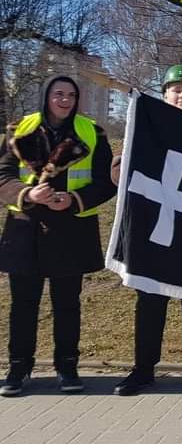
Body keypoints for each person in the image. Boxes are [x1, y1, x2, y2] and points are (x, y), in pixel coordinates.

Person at [0, 76, 116, 396]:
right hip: (26, 229)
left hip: (71, 230)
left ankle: (67, 367)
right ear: (46, 97)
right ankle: (18, 369)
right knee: (23, 305)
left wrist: (75, 200)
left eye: (71, 95)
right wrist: (26, 194)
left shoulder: (91, 132)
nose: (64, 100)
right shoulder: (19, 130)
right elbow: (3, 176)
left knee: (67, 305)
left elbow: (106, 182)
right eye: (58, 94)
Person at [113, 65, 182, 396]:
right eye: (176, 89)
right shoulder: (148, 127)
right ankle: (143, 370)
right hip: (155, 227)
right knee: (150, 300)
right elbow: (122, 171)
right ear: (164, 94)